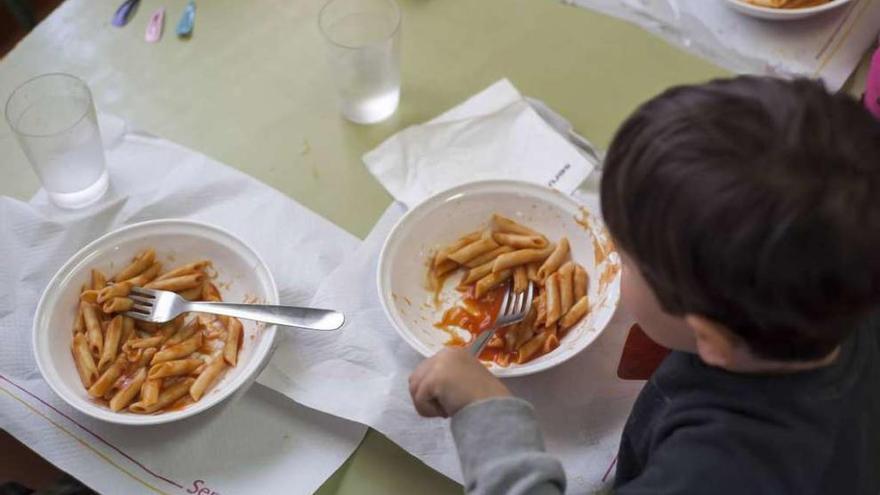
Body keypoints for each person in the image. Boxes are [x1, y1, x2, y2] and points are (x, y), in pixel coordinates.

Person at [408, 76, 880, 494]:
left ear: (711, 336)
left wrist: (488, 412)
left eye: (626, 262)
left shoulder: (716, 473)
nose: (613, 261)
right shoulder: (844, 277)